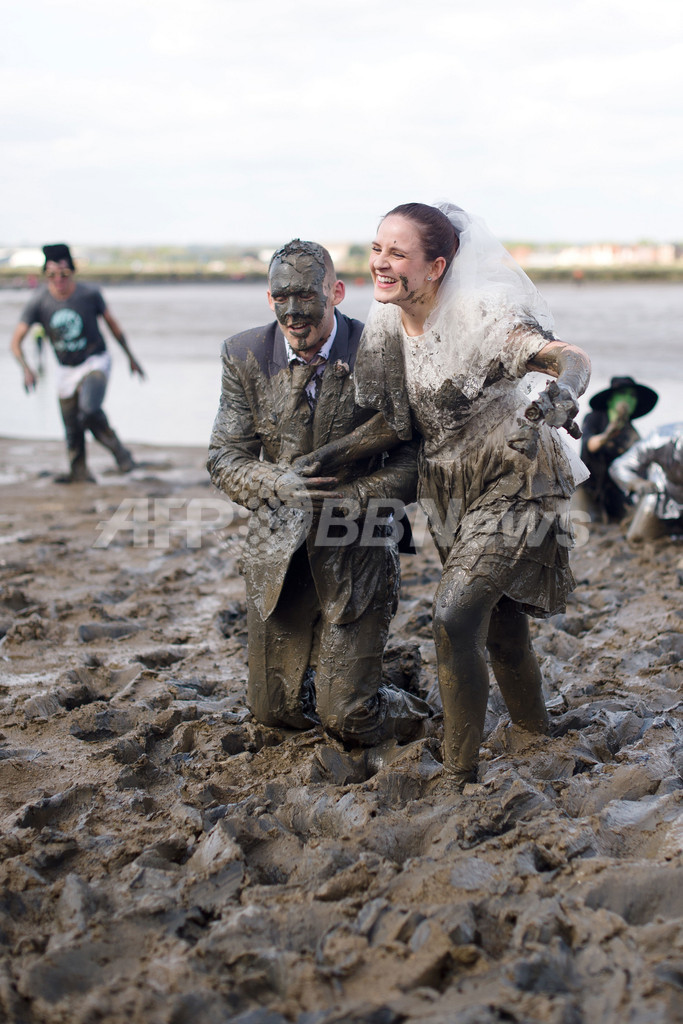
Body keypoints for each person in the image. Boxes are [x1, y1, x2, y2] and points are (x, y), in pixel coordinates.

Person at [294, 203, 592, 787]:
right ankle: (534, 733)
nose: (381, 263)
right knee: (501, 625)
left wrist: (565, 391)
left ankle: (460, 768)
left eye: (397, 254)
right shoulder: (387, 321)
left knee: (452, 616)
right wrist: (331, 455)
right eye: (377, 249)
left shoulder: (481, 313)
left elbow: (566, 357)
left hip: (515, 473)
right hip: (448, 488)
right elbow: (401, 422)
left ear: (436, 266)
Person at [207, 239, 430, 746]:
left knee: (347, 718)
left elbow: (415, 457)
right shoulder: (241, 354)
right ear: (268, 299)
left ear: (337, 292)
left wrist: (356, 499)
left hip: (361, 542)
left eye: (306, 294)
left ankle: (396, 697)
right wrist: (277, 483)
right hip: (278, 551)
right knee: (274, 713)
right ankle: (361, 673)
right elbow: (224, 457)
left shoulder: (382, 345)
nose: (293, 310)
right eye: (281, 296)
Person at [10, 243, 145, 483]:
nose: (58, 280)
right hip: (65, 370)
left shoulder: (89, 294)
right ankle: (79, 473)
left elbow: (114, 327)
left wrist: (131, 358)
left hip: (95, 361)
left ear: (72, 272)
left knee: (90, 410)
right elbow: (15, 342)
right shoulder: (39, 301)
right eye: (51, 274)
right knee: (72, 429)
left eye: (64, 274)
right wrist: (26, 369)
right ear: (45, 275)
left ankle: (122, 456)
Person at [578, 376, 658, 522]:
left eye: (632, 396)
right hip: (587, 485)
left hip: (614, 492)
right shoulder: (594, 418)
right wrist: (607, 435)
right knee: (583, 521)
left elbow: (637, 467)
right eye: (622, 394)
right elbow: (590, 445)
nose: (628, 399)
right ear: (611, 399)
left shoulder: (632, 434)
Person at [609, 422, 683, 543]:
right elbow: (620, 466)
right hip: (662, 494)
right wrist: (636, 483)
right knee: (637, 539)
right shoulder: (659, 439)